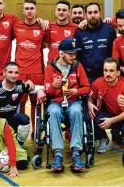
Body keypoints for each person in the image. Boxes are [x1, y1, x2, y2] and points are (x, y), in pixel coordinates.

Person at [44, 38, 90, 172]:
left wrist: (77, 91)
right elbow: (47, 91)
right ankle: (58, 153)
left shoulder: (77, 66)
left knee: (77, 111)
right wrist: (53, 86)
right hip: (56, 102)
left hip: (73, 100)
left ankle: (76, 153)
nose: (73, 56)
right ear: (61, 53)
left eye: (74, 54)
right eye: (70, 54)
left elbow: (87, 87)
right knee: (53, 112)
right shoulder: (50, 68)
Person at [0, 0, 48, 76]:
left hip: (7, 67)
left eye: (0, 3)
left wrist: (41, 20)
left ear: (4, 4)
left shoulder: (12, 19)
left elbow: (29, 24)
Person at [88, 58, 124, 153]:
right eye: (105, 70)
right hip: (109, 114)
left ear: (118, 73)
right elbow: (90, 97)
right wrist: (89, 103)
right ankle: (103, 138)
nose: (108, 74)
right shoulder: (98, 83)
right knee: (95, 118)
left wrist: (111, 121)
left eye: (111, 71)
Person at [13, 0, 48, 133]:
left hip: (37, 71)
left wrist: (44, 21)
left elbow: (48, 44)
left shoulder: (42, 27)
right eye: (26, 8)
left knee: (36, 102)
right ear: (23, 11)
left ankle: (37, 131)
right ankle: (19, 131)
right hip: (19, 72)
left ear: (36, 10)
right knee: (19, 103)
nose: (29, 11)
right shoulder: (16, 26)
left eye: (31, 8)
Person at [75, 2, 117, 83]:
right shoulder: (80, 31)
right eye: (90, 13)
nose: (93, 15)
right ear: (85, 15)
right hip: (87, 77)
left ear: (100, 13)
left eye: (95, 12)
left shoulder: (109, 30)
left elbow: (115, 52)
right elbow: (77, 55)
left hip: (107, 76)